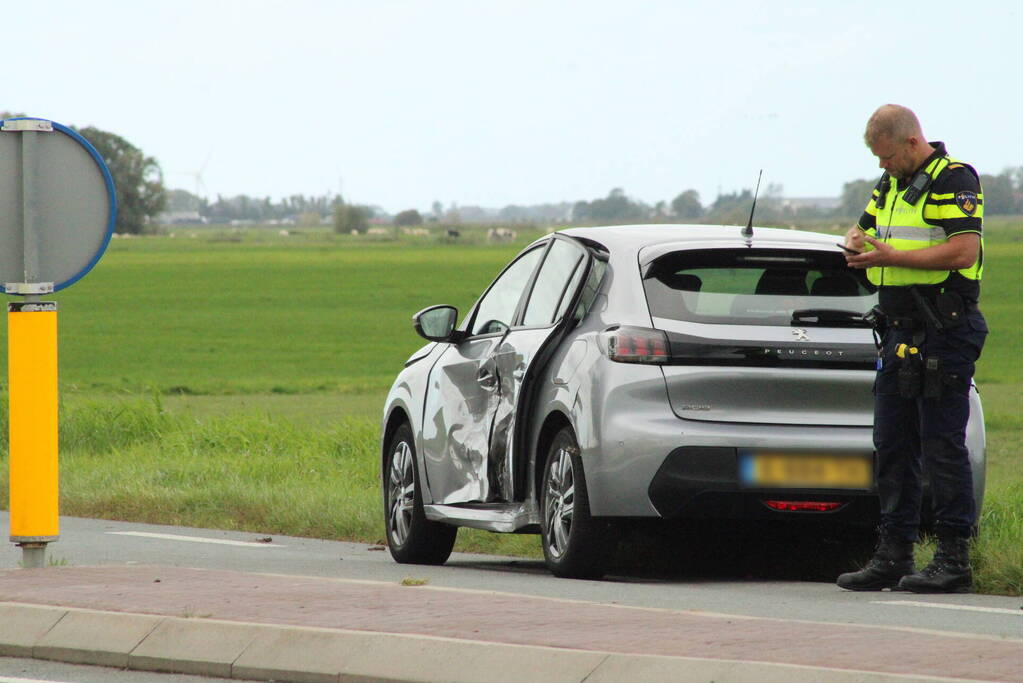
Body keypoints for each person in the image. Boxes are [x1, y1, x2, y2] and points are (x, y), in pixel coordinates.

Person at [837, 104, 987, 593]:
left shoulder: (954, 179)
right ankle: (894, 554)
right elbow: (863, 231)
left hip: (944, 327)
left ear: (910, 142)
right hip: (898, 332)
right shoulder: (892, 184)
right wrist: (854, 243)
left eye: (885, 156)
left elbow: (963, 251)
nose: (881, 166)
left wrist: (892, 256)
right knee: (893, 445)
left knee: (942, 446)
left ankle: (952, 559)